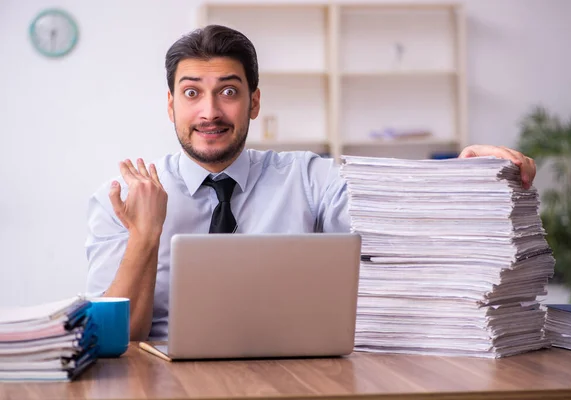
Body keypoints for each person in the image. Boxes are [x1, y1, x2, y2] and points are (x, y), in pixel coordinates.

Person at [85, 25, 537, 341]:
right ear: (170, 106)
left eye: (228, 91)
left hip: (295, 368)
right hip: (163, 373)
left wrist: (466, 177)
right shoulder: (125, 197)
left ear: (254, 102)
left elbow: (398, 222)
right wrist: (144, 235)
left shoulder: (309, 177)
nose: (210, 112)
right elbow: (115, 339)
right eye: (191, 93)